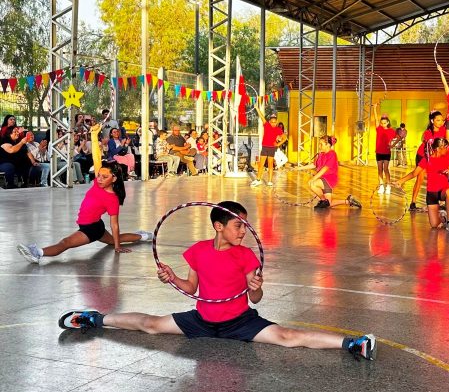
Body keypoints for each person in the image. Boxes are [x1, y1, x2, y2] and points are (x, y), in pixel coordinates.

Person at [58, 201, 377, 361]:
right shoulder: (197, 251)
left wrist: (256, 288)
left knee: (288, 336)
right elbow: (191, 289)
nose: (243, 231)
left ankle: (353, 343)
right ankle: (93, 317)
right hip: (202, 319)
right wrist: (172, 279)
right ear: (218, 226)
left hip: (240, 321)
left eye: (245, 227)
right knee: (150, 324)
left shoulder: (246, 256)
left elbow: (256, 299)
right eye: (238, 226)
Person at [16, 123, 152, 264]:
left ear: (114, 179)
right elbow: (96, 156)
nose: (99, 179)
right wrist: (93, 135)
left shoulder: (112, 199)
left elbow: (115, 224)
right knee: (112, 240)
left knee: (65, 243)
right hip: (96, 224)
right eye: (99, 175)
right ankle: (143, 236)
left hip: (91, 228)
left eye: (104, 177)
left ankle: (37, 253)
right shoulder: (98, 184)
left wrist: (118, 247)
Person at [395, 137, 449, 234]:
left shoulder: (447, 159)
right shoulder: (427, 160)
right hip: (431, 193)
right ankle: (444, 218)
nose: (447, 149)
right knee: (434, 225)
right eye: (445, 147)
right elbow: (414, 173)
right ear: (438, 149)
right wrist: (400, 181)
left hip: (443, 191)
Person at [295, 136, 361, 209]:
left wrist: (313, 178)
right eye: (319, 144)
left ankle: (323, 200)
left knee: (312, 183)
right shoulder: (320, 154)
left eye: (321, 144)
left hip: (329, 179)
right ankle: (349, 201)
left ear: (328, 145)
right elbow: (314, 165)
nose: (319, 146)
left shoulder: (332, 154)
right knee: (329, 203)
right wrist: (299, 168)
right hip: (323, 179)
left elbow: (325, 169)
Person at [408, 111, 447, 211]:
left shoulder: (444, 129)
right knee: (420, 178)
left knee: (437, 178)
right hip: (423, 156)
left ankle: (436, 201)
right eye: (437, 120)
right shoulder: (428, 132)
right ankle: (413, 202)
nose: (440, 122)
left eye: (441, 120)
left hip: (434, 158)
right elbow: (430, 147)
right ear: (432, 121)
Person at [251, 109, 286, 187]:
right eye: (272, 122)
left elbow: (285, 138)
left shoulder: (278, 129)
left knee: (270, 164)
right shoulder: (266, 125)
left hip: (271, 148)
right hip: (264, 147)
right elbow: (261, 116)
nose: (273, 123)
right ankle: (258, 180)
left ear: (276, 122)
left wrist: (278, 144)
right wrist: (257, 108)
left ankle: (270, 181)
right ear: (270, 122)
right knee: (261, 164)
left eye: (275, 122)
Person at [372, 104, 396, 194]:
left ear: (388, 123)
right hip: (379, 152)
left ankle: (388, 186)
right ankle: (381, 186)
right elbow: (376, 119)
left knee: (386, 169)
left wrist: (393, 145)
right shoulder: (379, 129)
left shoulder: (391, 131)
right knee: (379, 170)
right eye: (382, 123)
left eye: (385, 123)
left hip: (386, 152)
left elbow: (399, 137)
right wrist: (374, 108)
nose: (383, 124)